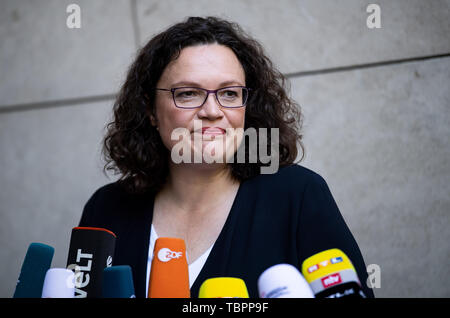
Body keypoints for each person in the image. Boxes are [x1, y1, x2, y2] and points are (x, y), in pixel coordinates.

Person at [79, 16, 374, 298]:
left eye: (230, 93)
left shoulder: (298, 195)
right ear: (150, 110)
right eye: (188, 93)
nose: (212, 111)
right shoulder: (106, 209)